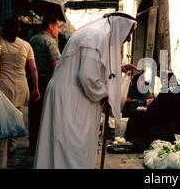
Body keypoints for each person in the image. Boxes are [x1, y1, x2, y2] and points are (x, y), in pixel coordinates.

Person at [33, 12, 137, 169]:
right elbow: (87, 77)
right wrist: (105, 94)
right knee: (71, 148)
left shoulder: (98, 34)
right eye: (128, 34)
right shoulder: (97, 37)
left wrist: (119, 68)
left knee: (67, 147)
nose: (128, 39)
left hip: (73, 95)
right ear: (120, 28)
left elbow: (93, 65)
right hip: (71, 97)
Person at [0, 17, 40, 169]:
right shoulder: (26, 45)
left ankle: (1, 161)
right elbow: (33, 68)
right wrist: (36, 87)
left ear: (3, 28)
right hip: (21, 88)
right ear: (19, 29)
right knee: (14, 116)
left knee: (1, 121)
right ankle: (12, 148)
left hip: (3, 87)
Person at [124, 71, 180, 151]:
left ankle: (133, 141)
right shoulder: (177, 91)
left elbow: (154, 108)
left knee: (136, 116)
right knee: (138, 115)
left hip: (164, 123)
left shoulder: (167, 92)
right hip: (172, 122)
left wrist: (147, 108)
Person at [28, 15, 62, 155]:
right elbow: (56, 65)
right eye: (58, 27)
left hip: (32, 81)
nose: (58, 31)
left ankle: (33, 145)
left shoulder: (32, 40)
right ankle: (43, 147)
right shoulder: (50, 41)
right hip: (47, 81)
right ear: (50, 26)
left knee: (34, 114)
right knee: (46, 114)